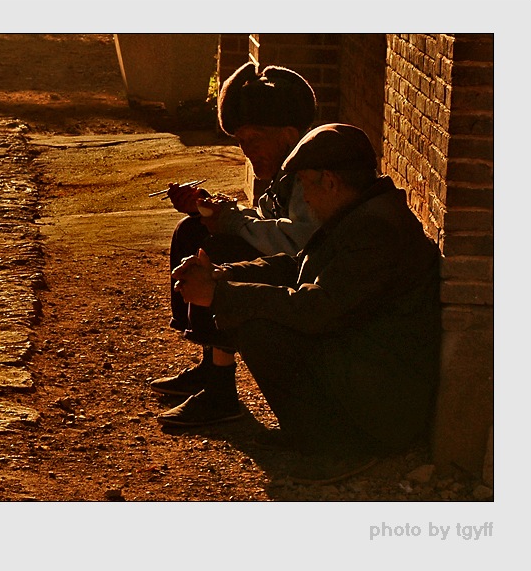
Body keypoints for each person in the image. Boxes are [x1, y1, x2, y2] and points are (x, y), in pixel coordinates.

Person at [158, 123, 442, 475]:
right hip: (366, 365)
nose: (304, 197)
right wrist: (225, 274)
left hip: (383, 401)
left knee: (260, 324)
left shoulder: (375, 229)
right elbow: (297, 266)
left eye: (306, 184)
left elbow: (317, 309)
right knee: (256, 310)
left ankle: (341, 449)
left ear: (330, 181)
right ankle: (313, 435)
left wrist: (222, 294)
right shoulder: (358, 210)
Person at [150, 62, 320, 403]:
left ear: (288, 135)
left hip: (310, 282)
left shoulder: (309, 176)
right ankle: (211, 366)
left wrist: (234, 224)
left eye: (254, 139)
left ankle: (220, 390)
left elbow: (298, 240)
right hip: (287, 265)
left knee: (220, 252)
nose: (247, 150)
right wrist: (210, 210)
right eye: (241, 141)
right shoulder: (280, 172)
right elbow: (266, 219)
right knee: (191, 230)